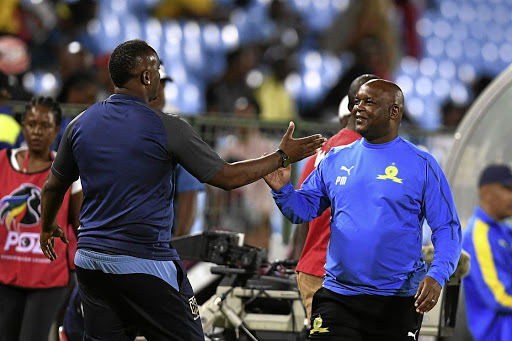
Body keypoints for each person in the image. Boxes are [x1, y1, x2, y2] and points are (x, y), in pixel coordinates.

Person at [38, 39, 325, 341]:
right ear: (146, 77)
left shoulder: (80, 124)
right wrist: (281, 157)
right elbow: (226, 177)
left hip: (91, 261)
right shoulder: (167, 127)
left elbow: (53, 185)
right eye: (157, 69)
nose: (160, 76)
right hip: (145, 263)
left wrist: (46, 226)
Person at [264, 79, 462, 340]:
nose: (358, 108)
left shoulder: (423, 164)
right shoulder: (336, 159)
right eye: (356, 101)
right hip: (338, 297)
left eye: (369, 102)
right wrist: (283, 190)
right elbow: (303, 210)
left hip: (397, 301)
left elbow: (447, 228)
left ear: (394, 111)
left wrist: (437, 275)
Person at [292, 74, 378, 322]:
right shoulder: (366, 153)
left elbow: (303, 211)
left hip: (317, 270)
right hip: (342, 276)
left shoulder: (323, 150)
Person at [0, 96, 82, 341]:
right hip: (5, 273)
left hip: (48, 278)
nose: (36, 131)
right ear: (23, 125)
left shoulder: (68, 170)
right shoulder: (2, 162)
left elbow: (80, 225)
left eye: (44, 126)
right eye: (31, 124)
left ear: (56, 130)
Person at [462, 164, 512, 341]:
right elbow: (499, 296)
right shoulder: (479, 235)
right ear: (486, 193)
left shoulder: (503, 231)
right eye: (508, 189)